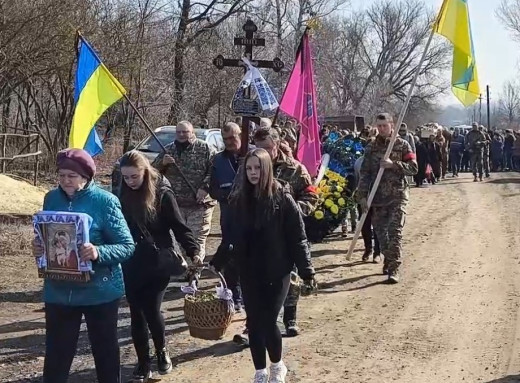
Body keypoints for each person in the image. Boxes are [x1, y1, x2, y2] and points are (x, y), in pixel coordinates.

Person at [211, 148, 316, 383]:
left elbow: (297, 237)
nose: (253, 173)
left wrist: (307, 269)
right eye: (248, 168)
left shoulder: (282, 199)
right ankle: (260, 371)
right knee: (254, 322)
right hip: (249, 270)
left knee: (268, 321)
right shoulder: (238, 201)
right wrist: (217, 261)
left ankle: (277, 366)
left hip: (277, 270)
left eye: (258, 168)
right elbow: (230, 237)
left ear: (267, 169)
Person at [33, 149, 135, 383]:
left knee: (105, 351)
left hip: (99, 290)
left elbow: (127, 245)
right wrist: (40, 247)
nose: (65, 181)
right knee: (57, 353)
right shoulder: (51, 198)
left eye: (72, 176)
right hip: (59, 290)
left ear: (86, 177)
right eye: (61, 175)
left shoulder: (105, 201)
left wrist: (98, 252)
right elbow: (46, 233)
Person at [118, 150, 201, 382]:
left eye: (134, 176)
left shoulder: (162, 193)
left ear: (145, 171)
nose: (130, 181)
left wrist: (193, 250)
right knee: (136, 313)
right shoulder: (121, 193)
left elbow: (179, 226)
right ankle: (143, 362)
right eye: (125, 177)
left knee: (152, 310)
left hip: (158, 261)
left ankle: (162, 351)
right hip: (132, 261)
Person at [253, 127, 319, 336]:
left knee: (290, 277)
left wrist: (293, 212)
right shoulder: (251, 168)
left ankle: (290, 317)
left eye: (267, 148)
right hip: (259, 234)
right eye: (258, 148)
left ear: (276, 145)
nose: (262, 152)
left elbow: (311, 197)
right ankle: (257, 321)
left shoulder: (295, 170)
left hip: (286, 234)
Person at [356, 113, 417, 283]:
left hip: (397, 196)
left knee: (394, 233)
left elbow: (413, 168)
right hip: (377, 199)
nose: (382, 129)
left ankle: (393, 269)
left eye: (385, 125)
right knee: (382, 237)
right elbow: (365, 173)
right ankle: (388, 260)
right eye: (379, 126)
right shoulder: (371, 147)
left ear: (392, 125)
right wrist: (362, 196)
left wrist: (393, 164)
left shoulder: (401, 145)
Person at [153, 120, 216, 263]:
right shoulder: (168, 150)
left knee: (196, 239)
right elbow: (152, 173)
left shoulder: (205, 149)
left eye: (185, 132)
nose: (181, 135)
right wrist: (162, 163)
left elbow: (214, 172)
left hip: (198, 204)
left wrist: (204, 188)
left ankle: (195, 272)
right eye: (179, 132)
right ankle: (185, 269)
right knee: (180, 239)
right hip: (176, 205)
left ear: (192, 132)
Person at [209, 122, 248, 311]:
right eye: (225, 139)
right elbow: (213, 188)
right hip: (229, 216)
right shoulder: (218, 160)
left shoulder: (252, 155)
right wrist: (227, 195)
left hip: (250, 216)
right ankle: (236, 297)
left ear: (240, 134)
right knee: (231, 257)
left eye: (232, 137)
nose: (229, 142)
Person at [354, 152, 381, 262]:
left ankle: (377, 252)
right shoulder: (359, 162)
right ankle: (368, 249)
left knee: (377, 226)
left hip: (378, 199)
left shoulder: (380, 162)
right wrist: (360, 196)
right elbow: (357, 180)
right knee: (364, 225)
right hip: (363, 199)